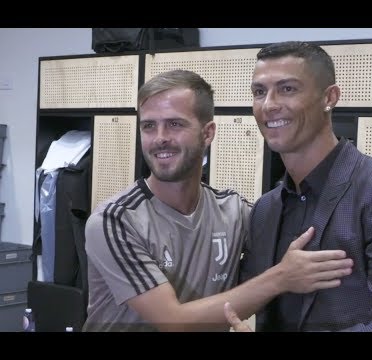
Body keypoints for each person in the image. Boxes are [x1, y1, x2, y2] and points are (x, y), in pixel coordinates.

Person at [82, 69, 354, 332]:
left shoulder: (234, 211)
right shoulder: (115, 220)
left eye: (174, 124)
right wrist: (281, 278)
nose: (160, 138)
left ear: (208, 133)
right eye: (149, 126)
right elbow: (173, 322)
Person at [226, 41, 372, 332]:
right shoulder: (266, 209)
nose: (269, 105)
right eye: (259, 92)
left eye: (288, 89)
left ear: (330, 97)